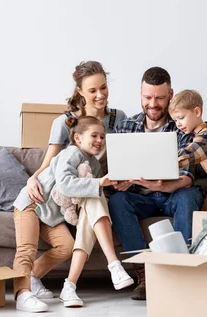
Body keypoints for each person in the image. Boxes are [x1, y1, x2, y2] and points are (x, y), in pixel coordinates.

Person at [23, 61, 128, 298]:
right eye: (92, 90)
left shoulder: (119, 119)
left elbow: (125, 158)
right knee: (93, 195)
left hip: (105, 187)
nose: (100, 95)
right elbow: (49, 163)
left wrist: (124, 179)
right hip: (74, 192)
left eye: (103, 87)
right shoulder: (64, 122)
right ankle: (112, 266)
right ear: (80, 91)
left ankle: (69, 286)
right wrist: (32, 179)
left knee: (94, 196)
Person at [13, 116, 133, 313]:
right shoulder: (71, 153)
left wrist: (113, 185)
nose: (100, 140)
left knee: (66, 246)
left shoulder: (94, 164)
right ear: (78, 139)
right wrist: (98, 184)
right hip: (31, 205)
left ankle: (33, 276)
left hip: (51, 214)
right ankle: (22, 293)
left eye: (102, 136)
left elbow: (87, 193)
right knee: (27, 247)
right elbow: (65, 184)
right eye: (94, 135)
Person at [108, 67, 205, 300]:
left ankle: (180, 269)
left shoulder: (182, 124)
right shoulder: (124, 127)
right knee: (118, 200)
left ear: (170, 94)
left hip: (173, 194)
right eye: (147, 97)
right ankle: (145, 275)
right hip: (140, 197)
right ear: (140, 94)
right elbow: (117, 169)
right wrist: (119, 182)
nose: (153, 104)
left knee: (189, 195)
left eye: (160, 98)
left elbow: (187, 173)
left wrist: (162, 185)